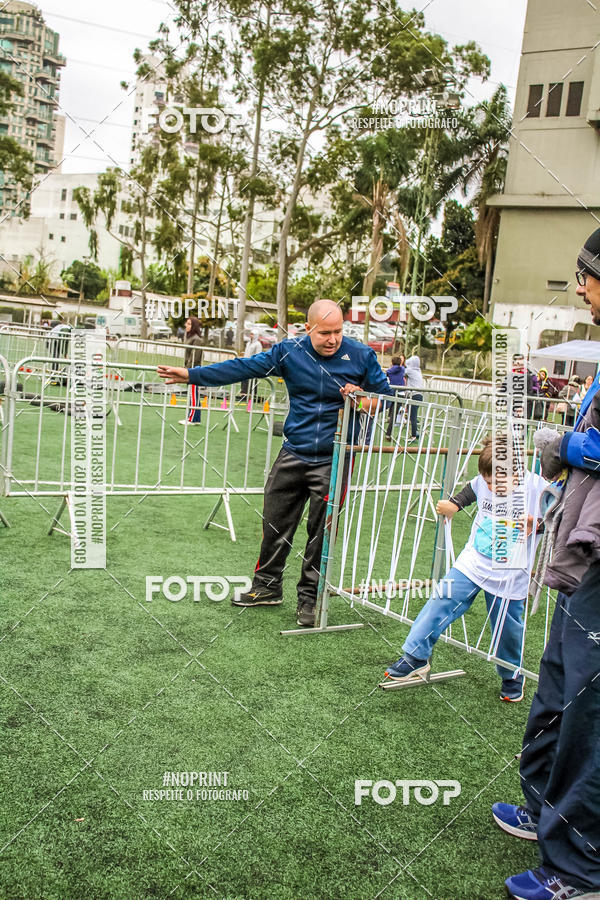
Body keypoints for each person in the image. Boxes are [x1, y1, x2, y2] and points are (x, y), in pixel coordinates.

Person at [157, 299, 394, 627]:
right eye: (325, 332)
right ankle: (267, 587)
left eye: (338, 331)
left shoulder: (361, 355)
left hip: (335, 457)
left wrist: (361, 400)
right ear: (308, 328)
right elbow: (243, 367)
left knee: (320, 532)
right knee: (274, 521)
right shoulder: (289, 351)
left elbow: (385, 400)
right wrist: (191, 375)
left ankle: (309, 599)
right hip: (293, 452)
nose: (333, 339)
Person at [493, 227, 600, 900]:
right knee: (559, 690)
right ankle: (544, 812)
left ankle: (582, 873)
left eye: (587, 276)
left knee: (589, 712)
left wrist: (562, 441)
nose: (583, 286)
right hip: (581, 553)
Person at [384, 434, 546, 701]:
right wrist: (455, 504)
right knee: (441, 599)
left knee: (507, 628)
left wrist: (537, 524)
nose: (492, 488)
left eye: (498, 483)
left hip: (511, 573)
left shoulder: (536, 487)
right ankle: (415, 656)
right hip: (474, 561)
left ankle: (511, 675)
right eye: (489, 482)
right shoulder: (483, 482)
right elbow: (472, 490)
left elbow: (561, 515)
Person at [179, 316, 204, 426]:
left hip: (194, 370)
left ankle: (192, 419)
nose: (186, 325)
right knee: (193, 394)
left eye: (189, 324)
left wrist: (187, 369)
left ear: (193, 326)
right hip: (190, 369)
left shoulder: (196, 339)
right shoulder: (190, 337)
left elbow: (195, 357)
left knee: (193, 394)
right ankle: (195, 418)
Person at [385, 355, 406, 439]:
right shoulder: (402, 369)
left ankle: (389, 418)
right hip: (401, 394)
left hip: (393, 393)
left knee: (389, 407)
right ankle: (388, 433)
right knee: (394, 414)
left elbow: (387, 373)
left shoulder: (390, 371)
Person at [404, 355, 424, 441]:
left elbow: (402, 372)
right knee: (412, 415)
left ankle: (414, 435)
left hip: (414, 395)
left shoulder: (410, 371)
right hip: (419, 395)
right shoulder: (418, 371)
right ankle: (415, 432)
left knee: (413, 416)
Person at [240, 330, 263, 402]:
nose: (251, 335)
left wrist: (255, 363)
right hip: (246, 363)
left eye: (252, 334)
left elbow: (258, 355)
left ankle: (253, 395)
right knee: (244, 378)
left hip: (253, 364)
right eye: (251, 334)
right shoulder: (248, 343)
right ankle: (244, 394)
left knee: (253, 379)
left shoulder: (258, 344)